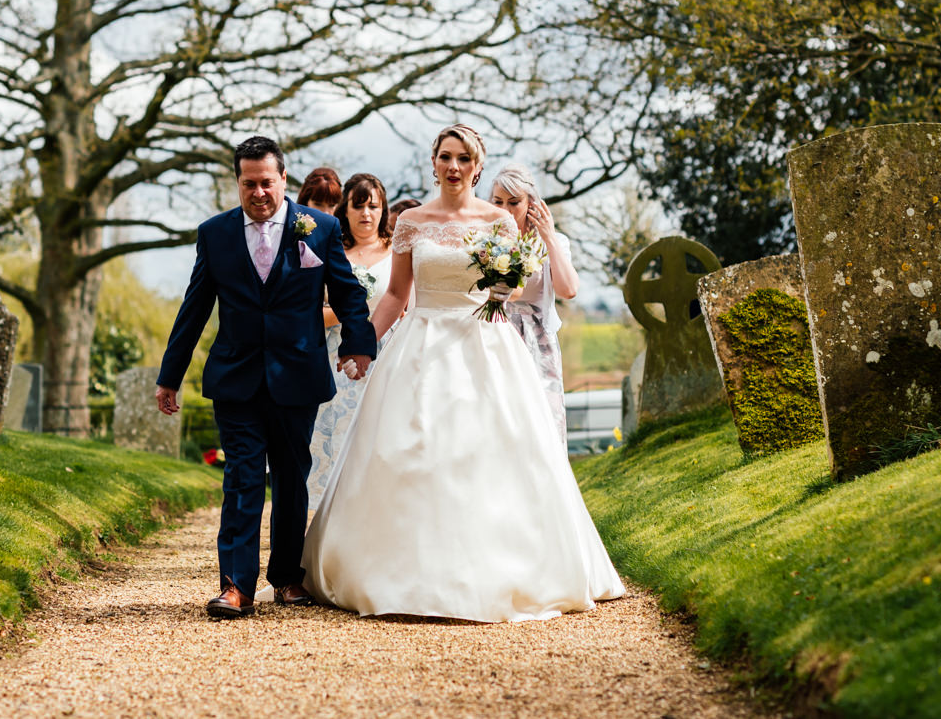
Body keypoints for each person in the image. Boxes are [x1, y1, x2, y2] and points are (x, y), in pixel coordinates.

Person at [301, 125, 624, 622]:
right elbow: (395, 296)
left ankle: (500, 566)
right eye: (446, 157)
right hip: (421, 344)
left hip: (486, 343)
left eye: (464, 158)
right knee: (411, 449)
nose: (454, 167)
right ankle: (403, 571)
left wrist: (500, 286)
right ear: (434, 163)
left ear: (477, 165)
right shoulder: (410, 221)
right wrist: (360, 342)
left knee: (491, 452)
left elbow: (513, 291)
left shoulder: (499, 221)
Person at [155, 136, 374, 619]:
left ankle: (288, 576)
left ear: (283, 181)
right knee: (243, 478)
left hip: (298, 374)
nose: (258, 192)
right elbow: (194, 309)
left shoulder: (319, 228)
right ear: (238, 183)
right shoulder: (215, 234)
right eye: (249, 183)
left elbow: (348, 292)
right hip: (236, 377)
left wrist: (359, 344)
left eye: (267, 183)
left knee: (293, 480)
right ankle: (235, 586)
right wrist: (170, 375)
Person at [306, 172, 397, 507]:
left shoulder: (397, 251)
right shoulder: (332, 249)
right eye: (358, 206)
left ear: (384, 209)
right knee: (332, 439)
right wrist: (347, 311)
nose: (366, 214)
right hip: (335, 356)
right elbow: (311, 308)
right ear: (345, 209)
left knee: (379, 439)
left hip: (387, 355)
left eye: (374, 205)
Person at [490, 163, 580, 448]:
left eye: (514, 202)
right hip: (494, 332)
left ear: (531, 203)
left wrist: (549, 237)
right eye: (498, 202)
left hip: (537, 338)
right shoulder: (485, 242)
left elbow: (568, 290)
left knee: (541, 419)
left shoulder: (550, 243)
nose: (505, 209)